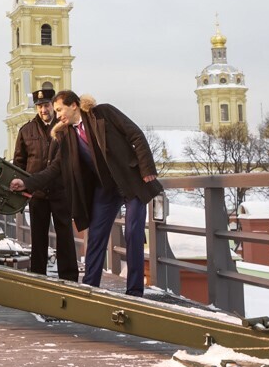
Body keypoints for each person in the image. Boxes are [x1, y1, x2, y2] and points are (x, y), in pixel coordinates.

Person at [10, 90, 162, 296]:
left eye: (59, 109)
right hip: (106, 188)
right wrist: (26, 183)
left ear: (74, 105)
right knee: (96, 235)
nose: (57, 114)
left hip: (130, 181)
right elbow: (55, 168)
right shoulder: (67, 135)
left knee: (133, 234)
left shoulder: (104, 113)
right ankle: (89, 288)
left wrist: (147, 170)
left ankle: (134, 291)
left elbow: (135, 134)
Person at [12, 88, 78, 281]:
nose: (43, 110)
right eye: (39, 106)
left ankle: (69, 278)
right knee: (38, 239)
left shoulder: (65, 128)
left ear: (53, 106)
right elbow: (19, 162)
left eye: (47, 105)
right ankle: (38, 277)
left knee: (65, 237)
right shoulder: (26, 130)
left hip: (60, 191)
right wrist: (22, 188)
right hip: (37, 194)